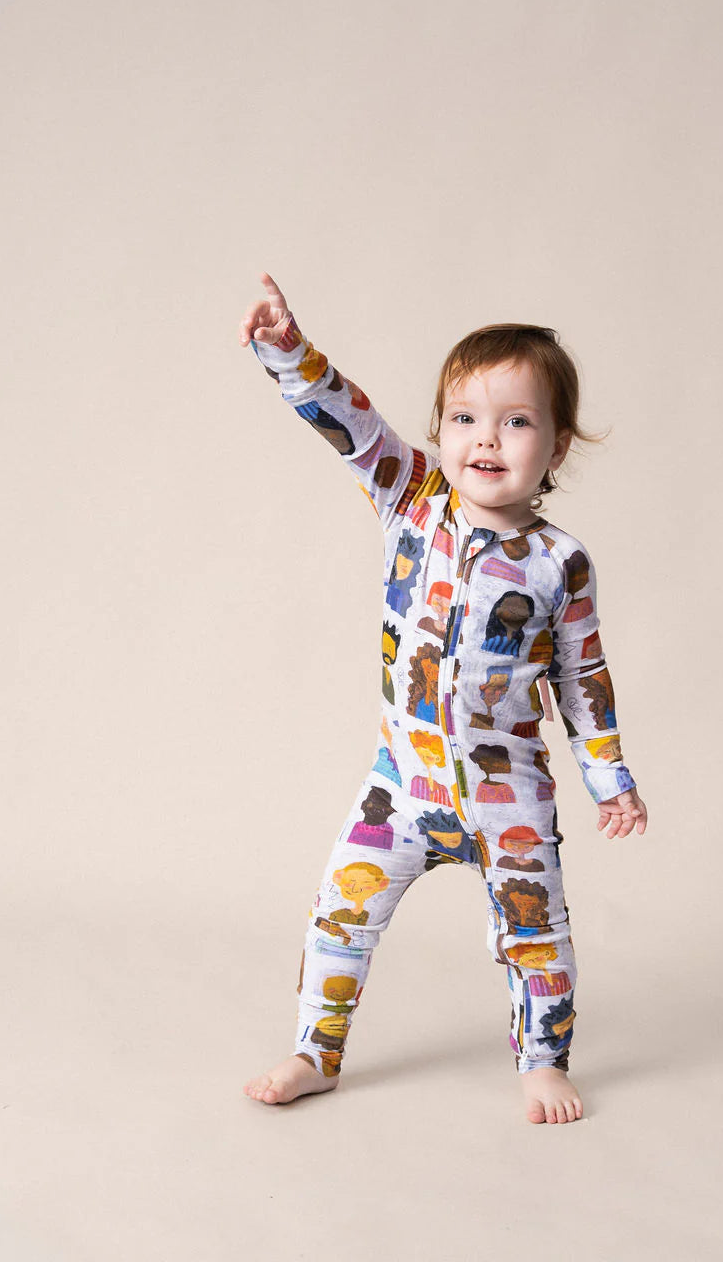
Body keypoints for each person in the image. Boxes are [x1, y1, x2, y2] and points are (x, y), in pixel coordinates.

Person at [240, 273, 648, 1123]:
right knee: (339, 912)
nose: (486, 438)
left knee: (537, 935)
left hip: (511, 795)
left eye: (517, 421)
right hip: (401, 785)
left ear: (557, 448)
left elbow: (583, 678)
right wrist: (289, 352)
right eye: (464, 417)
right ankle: (316, 1051)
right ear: (438, 433)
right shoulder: (414, 501)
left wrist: (609, 778)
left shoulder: (559, 562)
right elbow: (349, 424)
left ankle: (544, 1063)